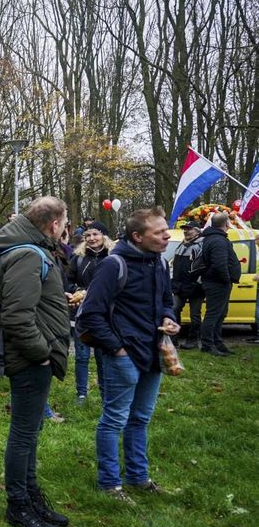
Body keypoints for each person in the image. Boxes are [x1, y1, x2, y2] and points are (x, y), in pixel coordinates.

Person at [78, 207, 178, 504]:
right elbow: (91, 314)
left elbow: (165, 301)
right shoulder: (113, 265)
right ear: (137, 236)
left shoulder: (158, 262)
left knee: (141, 419)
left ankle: (139, 478)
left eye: (165, 230)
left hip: (152, 352)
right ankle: (110, 484)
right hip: (123, 356)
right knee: (114, 420)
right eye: (159, 232)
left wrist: (169, 317)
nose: (166, 236)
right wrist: (117, 348)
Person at [0, 196, 70, 527]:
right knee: (24, 433)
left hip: (38, 354)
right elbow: (17, 316)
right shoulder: (26, 254)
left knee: (32, 430)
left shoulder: (33, 250)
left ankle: (32, 495)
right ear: (53, 224)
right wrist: (41, 353)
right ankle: (18, 505)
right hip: (31, 359)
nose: (66, 228)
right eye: (65, 222)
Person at [66, 221, 113, 402]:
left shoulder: (112, 257)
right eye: (88, 235)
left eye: (96, 234)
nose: (92, 238)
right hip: (81, 313)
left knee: (103, 356)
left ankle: (105, 392)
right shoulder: (77, 258)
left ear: (104, 237)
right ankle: (81, 393)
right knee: (82, 355)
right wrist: (78, 290)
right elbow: (67, 281)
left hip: (104, 314)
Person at [199, 213, 238, 356]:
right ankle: (208, 345)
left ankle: (217, 341)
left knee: (220, 314)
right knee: (213, 314)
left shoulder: (213, 238)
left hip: (216, 282)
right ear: (226, 224)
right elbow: (219, 264)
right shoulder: (218, 240)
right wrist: (227, 279)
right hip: (217, 283)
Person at [170, 222, 204, 349]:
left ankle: (193, 340)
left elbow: (203, 267)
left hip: (196, 286)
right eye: (185, 229)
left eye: (189, 229)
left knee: (195, 315)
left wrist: (198, 282)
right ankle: (173, 339)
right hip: (180, 285)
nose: (186, 231)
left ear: (197, 231)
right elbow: (175, 265)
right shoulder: (181, 245)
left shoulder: (201, 245)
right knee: (174, 310)